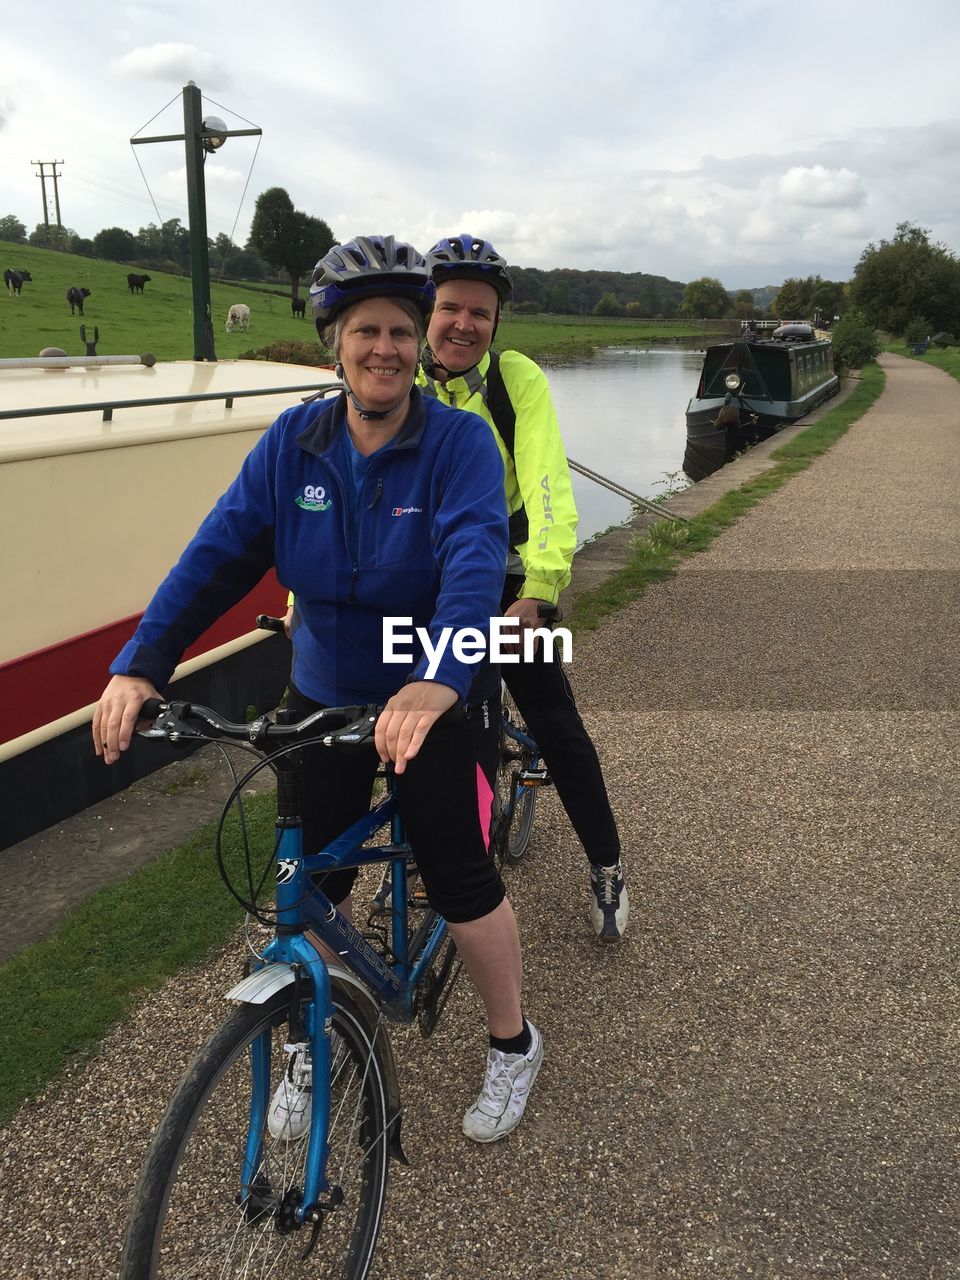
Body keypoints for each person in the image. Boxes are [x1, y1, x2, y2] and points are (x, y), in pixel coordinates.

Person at [92, 235, 542, 1145]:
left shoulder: (456, 443)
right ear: (333, 341)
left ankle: (512, 1042)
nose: (386, 349)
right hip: (323, 690)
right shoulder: (292, 442)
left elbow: (470, 564)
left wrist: (439, 681)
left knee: (460, 879)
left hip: (428, 692)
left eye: (402, 333)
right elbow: (216, 556)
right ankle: (310, 1034)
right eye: (366, 330)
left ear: (420, 346)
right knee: (310, 885)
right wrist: (142, 663)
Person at [420, 234, 629, 941]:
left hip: (512, 572)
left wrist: (537, 591)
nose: (463, 324)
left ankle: (607, 864)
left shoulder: (516, 380)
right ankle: (462, 866)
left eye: (480, 312)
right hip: (436, 579)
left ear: (495, 323)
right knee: (433, 721)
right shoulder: (403, 384)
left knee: (555, 723)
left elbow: (547, 484)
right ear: (428, 310)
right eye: (450, 307)